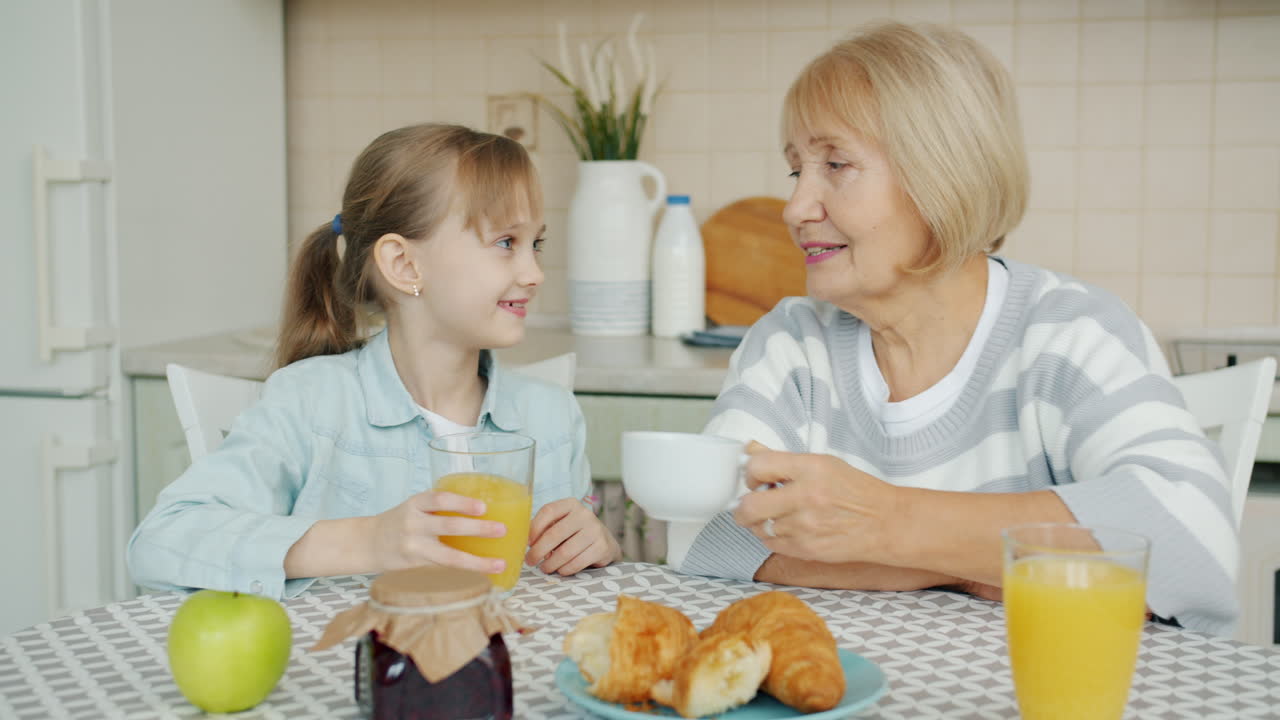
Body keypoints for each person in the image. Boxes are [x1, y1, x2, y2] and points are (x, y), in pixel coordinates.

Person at [668, 22, 1238, 636]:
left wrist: (887, 522)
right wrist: (960, 570)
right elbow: (705, 535)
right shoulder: (790, 343)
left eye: (835, 164)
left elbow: (1190, 540)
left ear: (942, 174)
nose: (796, 207)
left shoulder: (1071, 333)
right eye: (796, 171)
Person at [129, 124, 620, 598]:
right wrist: (369, 541)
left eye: (535, 243)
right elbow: (160, 542)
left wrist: (593, 545)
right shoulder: (311, 404)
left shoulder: (553, 418)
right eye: (505, 243)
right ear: (404, 265)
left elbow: (568, 585)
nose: (534, 272)